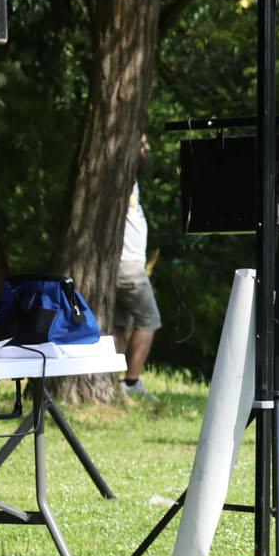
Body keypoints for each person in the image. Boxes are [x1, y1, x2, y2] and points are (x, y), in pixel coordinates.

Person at [114, 135, 161, 399]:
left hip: (124, 263)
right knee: (149, 319)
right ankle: (131, 383)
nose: (147, 147)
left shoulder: (128, 180)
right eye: (142, 143)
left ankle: (111, 381)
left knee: (118, 323)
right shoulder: (118, 178)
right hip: (128, 265)